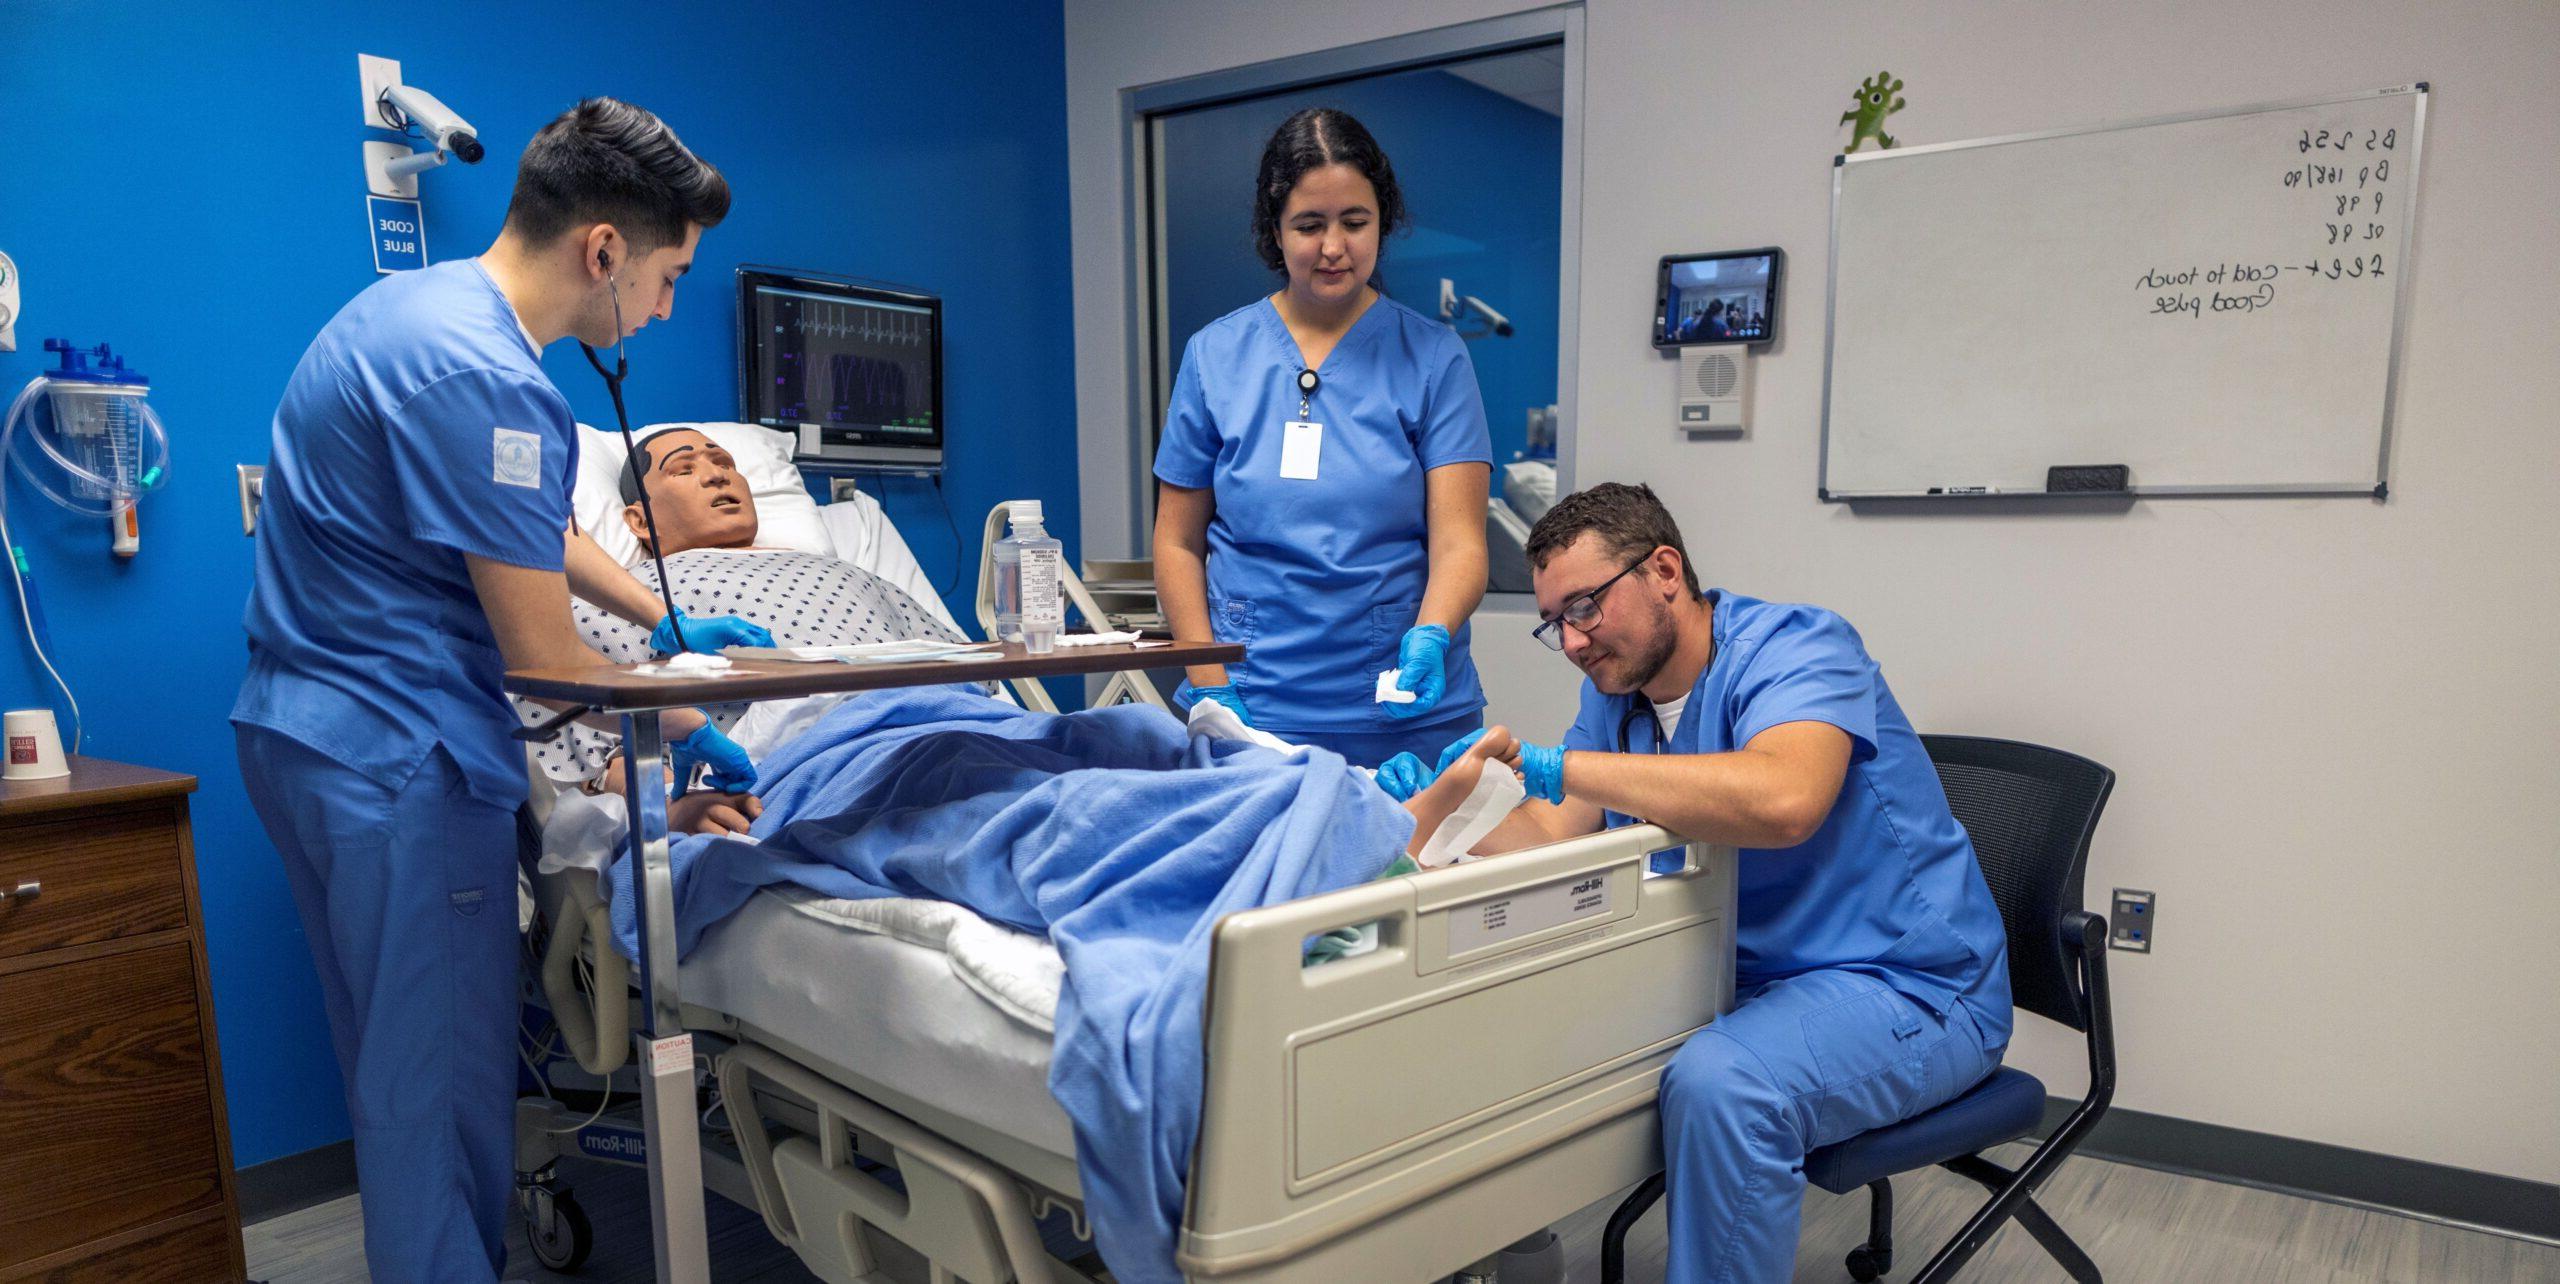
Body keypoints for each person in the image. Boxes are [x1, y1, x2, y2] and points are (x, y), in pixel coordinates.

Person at [230, 99, 765, 1282]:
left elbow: (511, 517)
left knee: (391, 1068)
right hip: (397, 764)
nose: (669, 308)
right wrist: (687, 718)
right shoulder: (491, 378)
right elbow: (540, 663)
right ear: (606, 251)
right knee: (438, 1089)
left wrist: (654, 611)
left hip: (302, 735)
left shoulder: (417, 314)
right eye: (672, 276)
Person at [1452, 482, 2013, 1282]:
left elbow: (1784, 801)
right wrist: (1435, 813)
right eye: (1554, 622)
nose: (1572, 642)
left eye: (1584, 607)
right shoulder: (1616, 697)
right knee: (1513, 1037)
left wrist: (1556, 765)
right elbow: (1547, 834)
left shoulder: (1802, 649)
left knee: (1725, 1085)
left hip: (1913, 987)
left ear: (1665, 571)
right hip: (1744, 986)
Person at [1151, 106, 1494, 767]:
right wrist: (1209, 681)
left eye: (1354, 222)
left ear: (1382, 222)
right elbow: (1175, 540)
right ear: (1274, 231)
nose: (1333, 246)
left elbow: (1460, 541)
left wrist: (1432, 633)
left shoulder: (1434, 357)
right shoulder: (1215, 356)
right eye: (1309, 225)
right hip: (1255, 709)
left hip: (1403, 707)